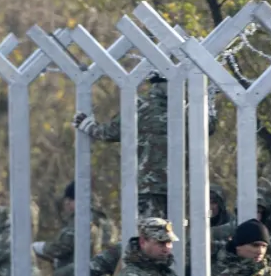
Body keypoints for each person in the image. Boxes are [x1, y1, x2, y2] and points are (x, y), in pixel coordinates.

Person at [74, 74, 218, 220]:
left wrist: (88, 125)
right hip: (173, 185)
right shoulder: (184, 109)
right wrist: (209, 98)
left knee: (154, 234)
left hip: (152, 185)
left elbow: (109, 132)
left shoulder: (142, 106)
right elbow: (208, 127)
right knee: (167, 234)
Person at [34, 181, 108, 276]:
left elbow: (63, 247)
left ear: (72, 200)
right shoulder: (101, 218)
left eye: (68, 201)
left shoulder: (81, 217)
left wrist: (39, 247)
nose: (66, 205)